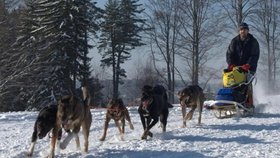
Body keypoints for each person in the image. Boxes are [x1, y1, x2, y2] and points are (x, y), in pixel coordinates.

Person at [226, 22, 260, 109]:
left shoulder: (253, 41)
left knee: (246, 83)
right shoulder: (234, 41)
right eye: (241, 30)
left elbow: (255, 55)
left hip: (249, 68)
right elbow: (229, 53)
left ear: (248, 31)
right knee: (230, 81)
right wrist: (230, 64)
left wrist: (248, 64)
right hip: (236, 67)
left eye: (244, 30)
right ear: (239, 31)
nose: (243, 31)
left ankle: (249, 103)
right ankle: (230, 100)